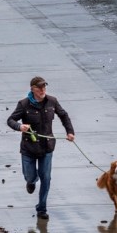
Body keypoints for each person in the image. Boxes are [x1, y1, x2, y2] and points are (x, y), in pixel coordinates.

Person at [7, 76, 75, 220]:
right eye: (40, 87)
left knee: (46, 178)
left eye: (44, 87)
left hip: (47, 148)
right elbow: (10, 120)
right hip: (28, 149)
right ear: (33, 89)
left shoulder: (52, 101)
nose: (43, 90)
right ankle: (31, 181)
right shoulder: (24, 104)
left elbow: (64, 115)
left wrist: (70, 132)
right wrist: (20, 126)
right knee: (30, 176)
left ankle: (41, 208)